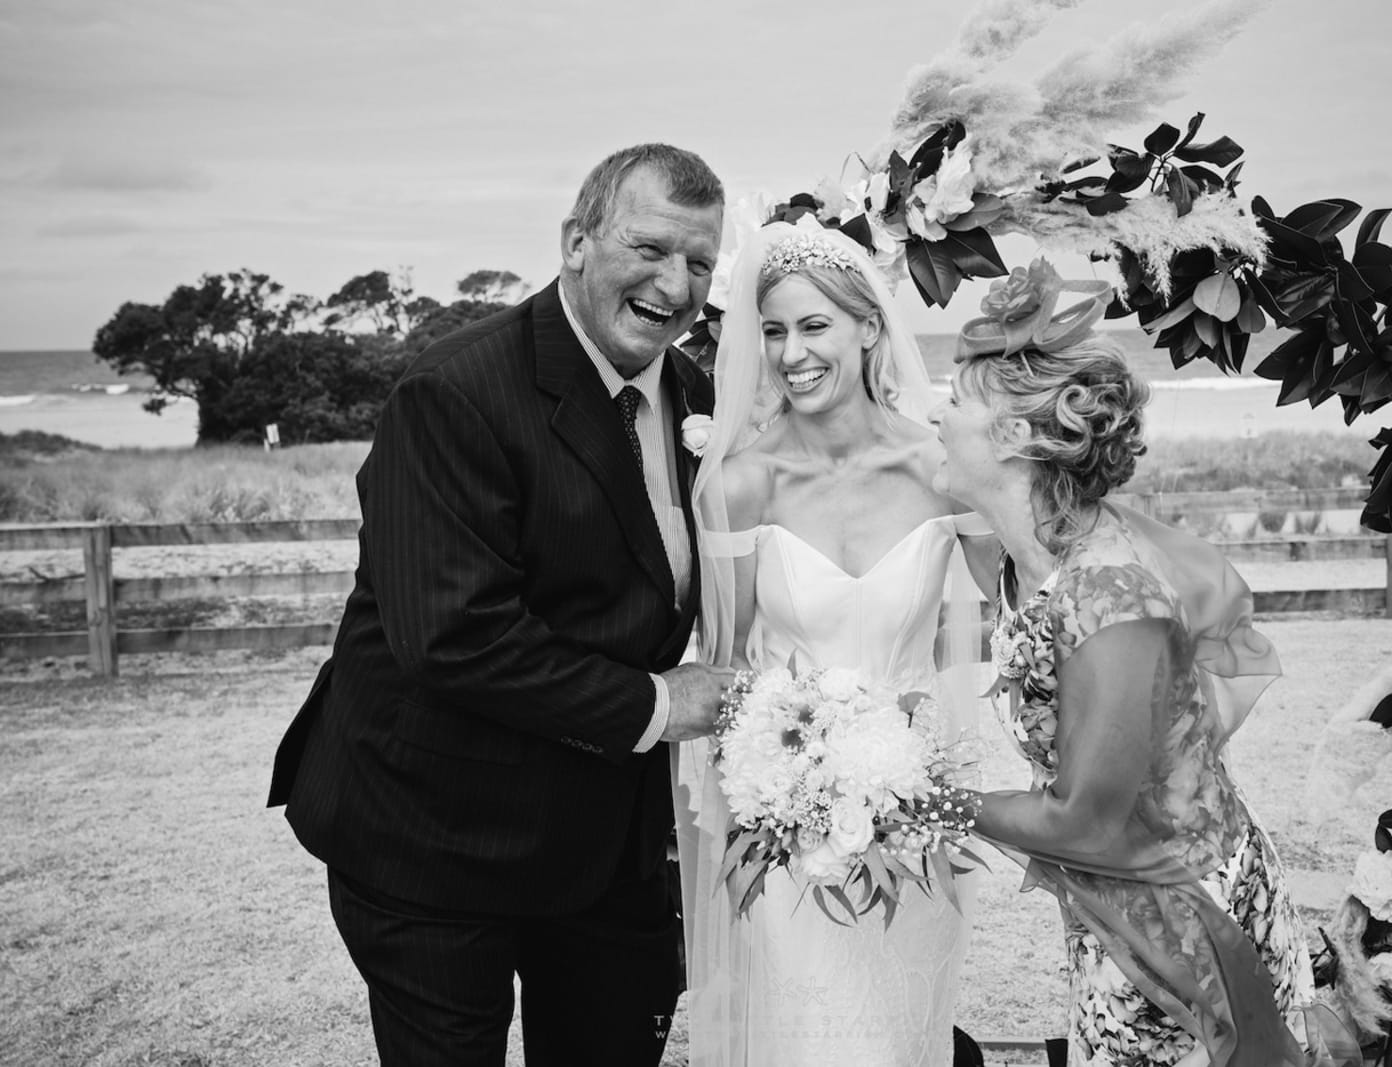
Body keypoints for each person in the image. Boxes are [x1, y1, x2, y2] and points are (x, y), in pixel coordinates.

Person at [266, 143, 737, 1067]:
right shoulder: (454, 392)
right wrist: (658, 703)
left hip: (605, 841)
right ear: (576, 242)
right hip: (433, 830)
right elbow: (454, 636)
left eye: (699, 262)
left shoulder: (698, 398)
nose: (675, 285)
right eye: (649, 248)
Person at [932, 261, 1318, 1067]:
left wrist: (926, 799)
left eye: (958, 401)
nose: (938, 413)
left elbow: (1084, 820)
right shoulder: (1021, 554)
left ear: (1015, 435)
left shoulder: (1111, 598)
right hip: (1112, 902)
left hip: (1186, 923)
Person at [678, 217, 995, 1066]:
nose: (791, 354)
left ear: (869, 328)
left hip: (916, 817)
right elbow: (724, 668)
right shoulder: (743, 483)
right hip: (787, 833)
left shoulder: (941, 469)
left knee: (899, 1037)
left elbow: (1012, 609)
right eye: (773, 331)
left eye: (814, 325)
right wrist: (784, 788)